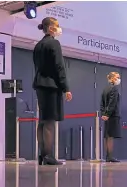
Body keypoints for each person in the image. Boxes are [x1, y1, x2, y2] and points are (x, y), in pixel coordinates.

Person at [33, 17, 72, 166]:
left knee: (42, 121)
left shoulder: (38, 45)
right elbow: (59, 67)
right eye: (57, 26)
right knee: (49, 122)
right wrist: (66, 88)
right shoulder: (54, 43)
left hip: (39, 85)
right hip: (51, 86)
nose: (59, 28)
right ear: (50, 28)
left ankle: (42, 155)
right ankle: (48, 156)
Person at [100, 72, 122, 162]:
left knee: (107, 136)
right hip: (112, 115)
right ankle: (110, 156)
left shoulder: (105, 89)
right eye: (117, 77)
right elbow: (112, 103)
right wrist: (108, 114)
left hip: (107, 116)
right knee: (110, 136)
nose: (119, 79)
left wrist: (103, 114)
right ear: (112, 78)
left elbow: (102, 103)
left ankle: (108, 156)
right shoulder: (114, 88)